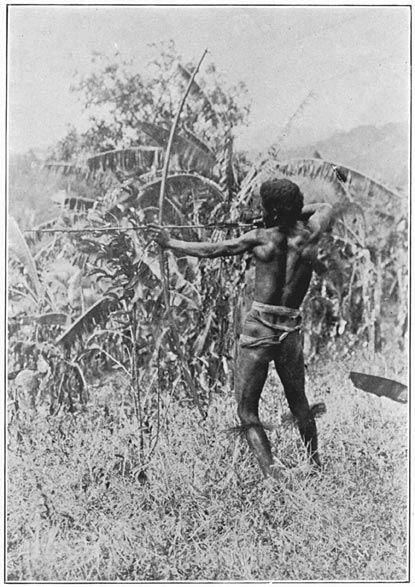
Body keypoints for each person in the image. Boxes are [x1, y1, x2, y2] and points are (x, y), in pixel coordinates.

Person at [148, 178, 334, 480]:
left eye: (265, 208)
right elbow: (324, 206)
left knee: (247, 411)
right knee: (299, 403)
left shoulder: (260, 238)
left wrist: (170, 243)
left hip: (260, 329)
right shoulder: (311, 232)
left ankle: (272, 473)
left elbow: (213, 249)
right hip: (290, 330)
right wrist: (289, 214)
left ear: (271, 210)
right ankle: (314, 464)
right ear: (296, 206)